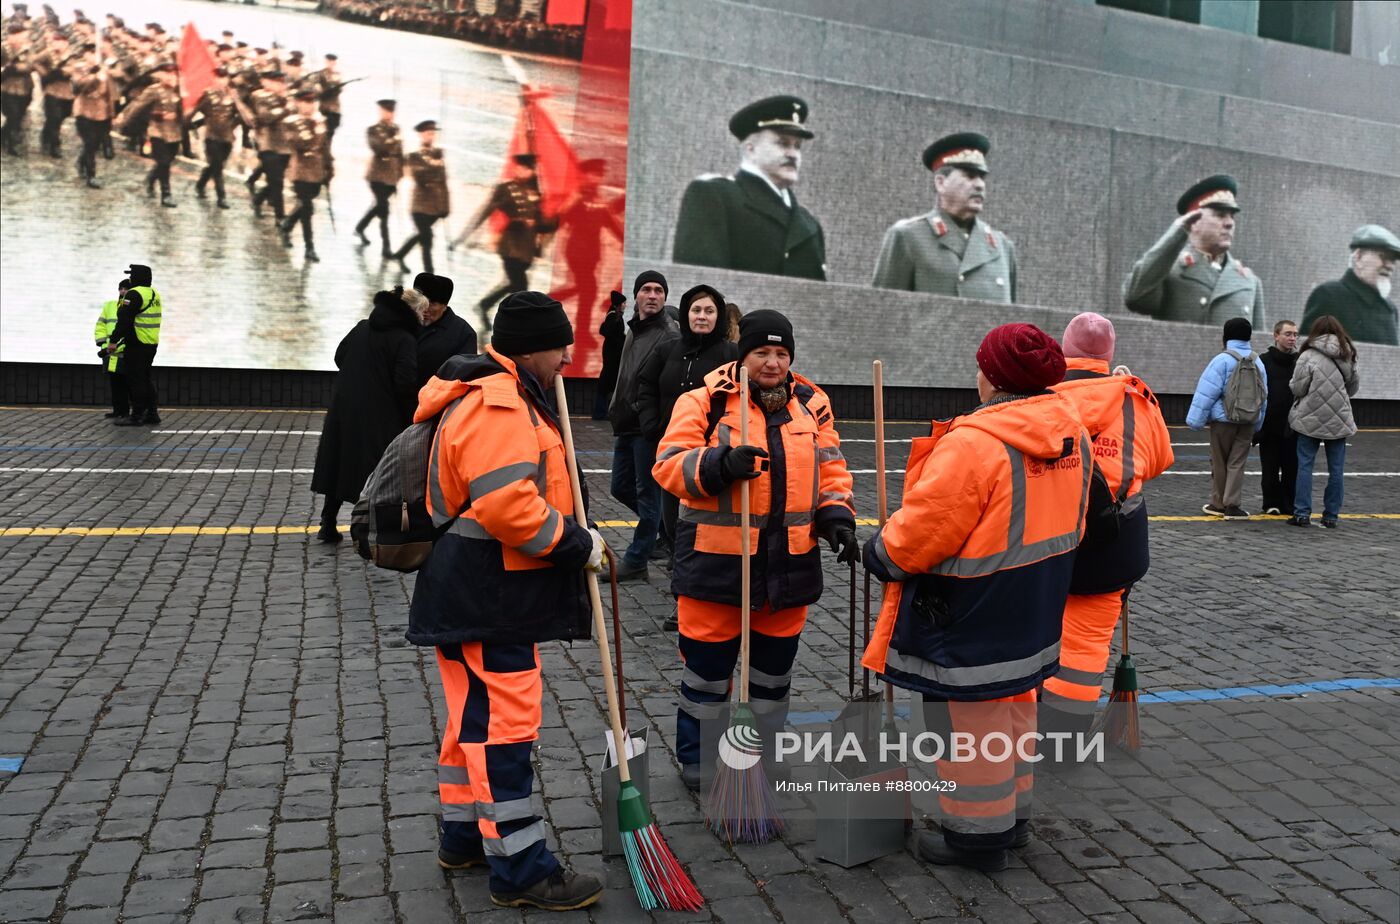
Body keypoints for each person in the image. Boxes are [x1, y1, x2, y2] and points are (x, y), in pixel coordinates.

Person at [861, 323, 1090, 872]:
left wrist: (878, 552)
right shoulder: (1071, 430)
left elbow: (921, 532)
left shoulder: (974, 442)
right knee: (1015, 709)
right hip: (1034, 603)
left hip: (970, 613)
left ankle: (976, 839)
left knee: (968, 727)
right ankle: (1013, 821)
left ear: (992, 377)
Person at [407, 291, 605, 912]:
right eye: (560, 345)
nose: (567, 356)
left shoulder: (501, 392)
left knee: (474, 720)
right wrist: (578, 546)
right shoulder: (498, 402)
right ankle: (520, 869)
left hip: (473, 591)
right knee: (504, 731)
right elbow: (506, 504)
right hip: (490, 594)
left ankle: (465, 835)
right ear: (530, 346)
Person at [653, 308, 857, 790]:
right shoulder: (704, 400)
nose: (772, 362)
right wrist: (719, 464)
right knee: (706, 676)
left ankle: (764, 750)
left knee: (772, 677)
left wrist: (837, 518)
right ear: (743, 354)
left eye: (781, 353)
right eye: (762, 352)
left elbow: (831, 469)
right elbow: (668, 466)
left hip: (789, 565)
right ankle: (699, 757)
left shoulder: (812, 404)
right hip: (715, 564)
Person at [1040, 313, 1174, 735]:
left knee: (1031, 630)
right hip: (1112, 545)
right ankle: (1065, 736)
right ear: (1109, 354)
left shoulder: (1041, 397)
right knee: (1086, 644)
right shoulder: (1135, 399)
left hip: (1043, 538)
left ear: (1064, 349)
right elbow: (1159, 460)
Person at [637, 283, 740, 583]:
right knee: (672, 523)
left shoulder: (730, 354)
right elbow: (645, 386)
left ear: (718, 316)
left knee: (702, 524)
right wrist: (651, 425)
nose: (702, 316)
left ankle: (695, 585)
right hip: (674, 452)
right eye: (696, 310)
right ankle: (681, 580)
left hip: (712, 454)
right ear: (686, 314)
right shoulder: (668, 349)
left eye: (709, 311)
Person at [311, 287, 424, 543]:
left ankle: (327, 522)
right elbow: (404, 383)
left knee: (340, 463)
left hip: (345, 408)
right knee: (376, 472)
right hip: (381, 414)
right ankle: (367, 530)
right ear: (411, 311)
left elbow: (340, 356)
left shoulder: (362, 327)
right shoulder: (404, 338)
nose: (423, 317)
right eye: (420, 311)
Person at [672, 95, 826, 279]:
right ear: (750, 149)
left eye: (797, 146)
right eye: (782, 143)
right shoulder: (715, 196)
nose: (793, 154)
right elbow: (700, 283)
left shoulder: (809, 224)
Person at [871, 132, 1017, 301]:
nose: (979, 185)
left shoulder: (1002, 246)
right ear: (941, 183)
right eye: (969, 176)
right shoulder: (909, 237)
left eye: (982, 177)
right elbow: (883, 310)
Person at [607, 271, 679, 581]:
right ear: (636, 296)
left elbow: (670, 386)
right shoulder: (635, 329)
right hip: (626, 422)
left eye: (658, 291)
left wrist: (651, 418)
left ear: (665, 297)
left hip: (646, 427)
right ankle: (664, 533)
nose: (652, 295)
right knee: (619, 487)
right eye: (646, 290)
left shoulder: (670, 334)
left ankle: (637, 559)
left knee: (648, 496)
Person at [1124, 175, 1264, 329]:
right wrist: (1177, 233)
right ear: (1193, 221)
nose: (1230, 223)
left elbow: (1259, 345)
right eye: (1220, 215)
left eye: (1231, 216)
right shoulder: (1169, 271)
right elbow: (1135, 298)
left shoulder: (1248, 281)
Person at [457, 153, 558, 335]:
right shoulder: (506, 188)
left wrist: (556, 219)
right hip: (510, 247)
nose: (522, 171)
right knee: (521, 289)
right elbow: (487, 210)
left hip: (527, 250)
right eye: (520, 168)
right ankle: (518, 327)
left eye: (526, 168)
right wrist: (467, 234)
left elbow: (542, 225)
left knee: (513, 285)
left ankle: (484, 305)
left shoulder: (536, 192)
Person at [1185, 317, 1267, 519]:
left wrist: (1195, 421)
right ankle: (1233, 505)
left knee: (1219, 461)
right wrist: (1258, 423)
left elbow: (1206, 392)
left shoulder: (1221, 360)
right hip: (1247, 421)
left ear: (1226, 336)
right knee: (1237, 463)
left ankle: (1217, 503)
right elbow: (1264, 396)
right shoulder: (1258, 361)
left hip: (1223, 422)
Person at [1288, 316, 1361, 529]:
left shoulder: (1308, 354)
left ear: (1316, 331)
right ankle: (1331, 516)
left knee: (1305, 466)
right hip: (1339, 418)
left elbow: (1298, 389)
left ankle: (1302, 513)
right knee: (1336, 469)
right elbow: (1353, 388)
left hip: (1309, 418)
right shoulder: (1347, 352)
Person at [1299, 225, 1399, 346]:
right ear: (1358, 257)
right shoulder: (1329, 295)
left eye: (1393, 260)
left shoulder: (1389, 309)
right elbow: (1307, 353)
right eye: (1383, 256)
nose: (1390, 266)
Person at [114, 62, 181, 207]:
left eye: (174, 74)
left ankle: (151, 178)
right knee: (163, 162)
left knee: (166, 162)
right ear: (161, 75)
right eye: (168, 74)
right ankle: (166, 194)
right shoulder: (154, 90)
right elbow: (138, 105)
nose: (171, 77)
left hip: (175, 132)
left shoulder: (181, 91)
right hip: (158, 130)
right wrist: (123, 119)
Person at [390, 120, 449, 274]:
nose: (431, 136)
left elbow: (443, 181)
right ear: (421, 135)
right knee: (426, 239)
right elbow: (419, 177)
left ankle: (400, 254)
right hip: (420, 206)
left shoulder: (438, 154)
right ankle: (429, 275)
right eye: (428, 133)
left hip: (435, 206)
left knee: (422, 235)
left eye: (433, 133)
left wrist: (445, 206)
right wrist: (434, 163)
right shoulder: (414, 155)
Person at [280, 89, 332, 263]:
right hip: (301, 170)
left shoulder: (320, 121)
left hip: (316, 170)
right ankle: (309, 247)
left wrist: (329, 167)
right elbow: (300, 144)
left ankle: (287, 224)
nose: (309, 106)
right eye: (305, 102)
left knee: (305, 204)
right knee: (307, 208)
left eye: (311, 103)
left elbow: (325, 146)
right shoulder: (290, 122)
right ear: (298, 103)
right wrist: (316, 130)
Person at [108, 263, 163, 426]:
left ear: (138, 277)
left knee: (136, 380)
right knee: (145, 379)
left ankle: (137, 415)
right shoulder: (154, 293)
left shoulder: (134, 294)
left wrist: (113, 341)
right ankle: (152, 413)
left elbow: (124, 320)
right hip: (151, 342)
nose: (130, 278)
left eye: (132, 275)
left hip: (137, 343)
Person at [1255, 320, 1300, 515]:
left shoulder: (1300, 361)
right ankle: (1271, 503)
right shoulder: (1264, 360)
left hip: (1294, 424)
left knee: (1292, 468)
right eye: (1288, 334)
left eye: (1295, 335)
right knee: (1270, 467)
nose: (1292, 338)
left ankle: (1289, 503)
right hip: (1270, 424)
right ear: (1276, 335)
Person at [354, 99, 403, 257]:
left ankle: (360, 227)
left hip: (391, 176)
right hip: (377, 176)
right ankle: (386, 247)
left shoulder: (396, 129)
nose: (389, 114)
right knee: (384, 210)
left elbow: (400, 153)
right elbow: (379, 149)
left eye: (391, 111)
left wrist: (399, 175)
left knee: (379, 206)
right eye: (386, 111)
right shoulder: (373, 130)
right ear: (380, 112)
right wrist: (391, 138)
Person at [412, 272, 478, 387]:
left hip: (434, 401)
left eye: (432, 303)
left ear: (445, 305)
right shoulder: (402, 321)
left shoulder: (464, 334)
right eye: (420, 302)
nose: (424, 309)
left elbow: (463, 378)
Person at [191, 66, 242, 208]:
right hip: (212, 136)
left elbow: (241, 114)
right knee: (218, 167)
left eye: (224, 78)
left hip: (227, 137)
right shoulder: (208, 94)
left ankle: (201, 184)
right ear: (213, 79)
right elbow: (197, 109)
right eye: (218, 78)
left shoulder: (233, 96)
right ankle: (222, 197)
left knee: (216, 165)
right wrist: (190, 123)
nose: (221, 81)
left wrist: (232, 124)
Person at [248, 69, 291, 220]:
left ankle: (258, 200)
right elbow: (265, 117)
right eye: (278, 83)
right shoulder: (262, 97)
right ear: (271, 83)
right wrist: (285, 108)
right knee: (277, 182)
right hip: (268, 144)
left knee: (276, 180)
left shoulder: (288, 98)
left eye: (282, 83)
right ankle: (280, 217)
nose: (282, 86)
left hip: (285, 146)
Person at [70, 42, 112, 188]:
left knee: (94, 144)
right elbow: (78, 88)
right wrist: (94, 77)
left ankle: (82, 162)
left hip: (102, 113)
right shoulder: (79, 68)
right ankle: (91, 175)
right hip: (85, 112)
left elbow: (110, 92)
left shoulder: (104, 69)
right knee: (89, 143)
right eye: (92, 53)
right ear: (86, 54)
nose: (95, 57)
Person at [93, 278, 130, 419]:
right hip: (110, 352)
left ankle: (126, 411)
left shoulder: (132, 306)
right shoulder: (109, 306)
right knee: (115, 383)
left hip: (124, 352)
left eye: (126, 288)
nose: (122, 291)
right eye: (121, 288)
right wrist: (103, 344)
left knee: (126, 383)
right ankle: (118, 410)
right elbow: (100, 325)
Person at [34, 30, 74, 158]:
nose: (57, 45)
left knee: (60, 117)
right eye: (55, 42)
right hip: (52, 90)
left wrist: (70, 71)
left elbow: (78, 68)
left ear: (66, 43)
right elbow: (35, 61)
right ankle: (55, 146)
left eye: (60, 42)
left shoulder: (72, 55)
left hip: (67, 92)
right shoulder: (48, 53)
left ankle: (46, 133)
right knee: (54, 118)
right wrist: (44, 73)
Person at [1, 24, 35, 156]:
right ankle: (12, 145)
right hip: (7, 89)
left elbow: (31, 65)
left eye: (24, 36)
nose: (23, 38)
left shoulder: (28, 48)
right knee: (13, 116)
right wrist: (5, 68)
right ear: (11, 36)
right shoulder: (3, 48)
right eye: (21, 36)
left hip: (25, 88)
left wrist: (14, 68)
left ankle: (3, 134)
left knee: (18, 116)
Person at [593, 290, 625, 420]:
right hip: (612, 354)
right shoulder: (613, 316)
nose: (625, 305)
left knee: (608, 383)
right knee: (606, 383)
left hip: (613, 354)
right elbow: (607, 331)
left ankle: (603, 411)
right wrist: (622, 341)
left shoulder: (615, 315)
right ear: (619, 304)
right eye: (623, 303)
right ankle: (600, 412)